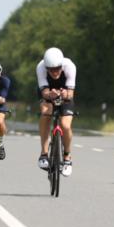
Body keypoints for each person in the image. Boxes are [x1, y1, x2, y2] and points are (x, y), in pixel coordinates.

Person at [36, 47, 76, 176]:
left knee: (65, 125)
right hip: (48, 92)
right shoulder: (41, 67)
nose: (54, 72)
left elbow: (71, 93)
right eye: (51, 69)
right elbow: (44, 92)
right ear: (46, 67)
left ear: (61, 65)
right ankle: (44, 153)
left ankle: (67, 157)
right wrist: (49, 94)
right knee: (46, 113)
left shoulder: (70, 66)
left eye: (57, 69)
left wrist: (65, 94)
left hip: (65, 93)